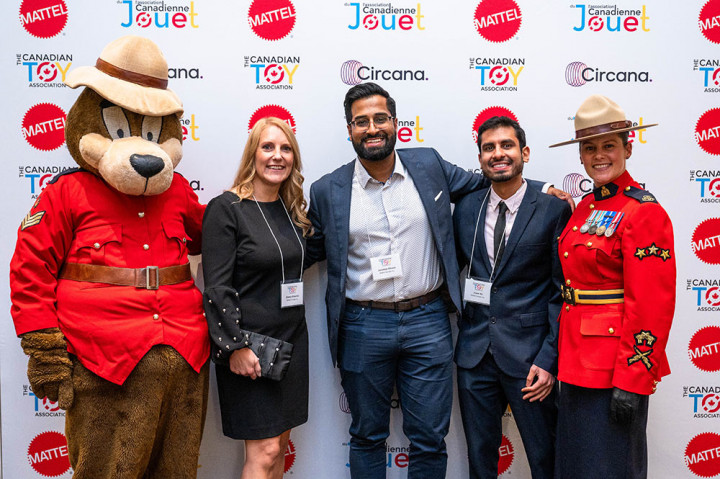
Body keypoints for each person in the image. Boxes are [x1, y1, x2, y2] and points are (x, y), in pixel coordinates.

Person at [305, 82, 564, 478]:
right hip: (362, 325)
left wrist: (541, 188)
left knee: (428, 438)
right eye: (361, 122)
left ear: (395, 123)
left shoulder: (428, 166)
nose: (371, 128)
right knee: (366, 435)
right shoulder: (327, 190)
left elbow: (491, 179)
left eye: (379, 118)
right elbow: (308, 248)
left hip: (428, 322)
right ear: (349, 129)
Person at [549, 95, 676, 478]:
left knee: (611, 468)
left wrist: (633, 380)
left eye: (609, 146)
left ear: (628, 147)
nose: (599, 156)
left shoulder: (644, 212)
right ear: (581, 156)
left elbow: (651, 307)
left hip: (613, 370)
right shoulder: (587, 206)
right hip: (574, 362)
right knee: (576, 467)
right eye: (589, 148)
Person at [453, 116, 571, 478]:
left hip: (531, 359)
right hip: (474, 357)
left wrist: (550, 360)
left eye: (506, 145)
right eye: (489, 148)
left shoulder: (553, 208)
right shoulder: (466, 209)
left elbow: (561, 292)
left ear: (525, 152)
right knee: (480, 462)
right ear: (480, 157)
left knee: (545, 458)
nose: (498, 154)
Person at [202, 117, 311, 479]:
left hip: (292, 343)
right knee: (263, 452)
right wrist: (234, 347)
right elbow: (216, 287)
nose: (277, 156)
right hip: (250, 347)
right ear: (253, 153)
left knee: (278, 448)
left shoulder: (290, 210)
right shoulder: (227, 208)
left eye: (285, 149)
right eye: (268, 147)